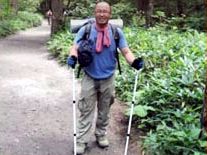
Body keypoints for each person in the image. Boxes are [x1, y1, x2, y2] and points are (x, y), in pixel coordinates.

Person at [67, 1, 144, 154]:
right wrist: (73, 57)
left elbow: (126, 51)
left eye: (105, 11)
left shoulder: (116, 32)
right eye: (99, 11)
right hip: (89, 75)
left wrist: (134, 62)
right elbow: (74, 47)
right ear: (95, 13)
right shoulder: (86, 29)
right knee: (86, 109)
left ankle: (101, 134)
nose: (102, 14)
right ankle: (81, 141)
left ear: (110, 14)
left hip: (108, 77)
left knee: (104, 110)